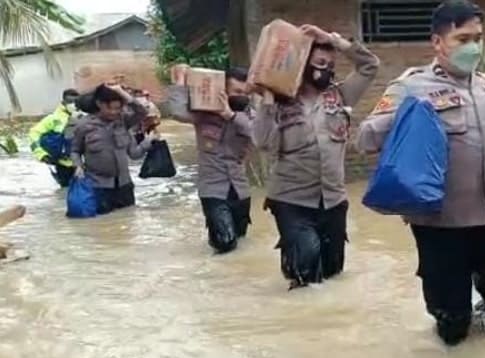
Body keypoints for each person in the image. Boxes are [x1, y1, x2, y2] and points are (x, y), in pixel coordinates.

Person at [357, 0, 485, 346]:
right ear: (438, 42)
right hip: (441, 226)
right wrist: (411, 115)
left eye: (478, 38)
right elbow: (365, 137)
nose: (473, 47)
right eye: (463, 39)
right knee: (451, 322)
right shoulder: (411, 85)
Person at [252, 25, 379, 289]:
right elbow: (262, 142)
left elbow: (370, 66)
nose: (327, 69)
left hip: (333, 199)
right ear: (303, 63)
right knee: (305, 269)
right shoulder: (278, 102)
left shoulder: (340, 95)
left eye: (330, 64)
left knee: (333, 273)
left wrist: (334, 40)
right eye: (320, 62)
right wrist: (266, 100)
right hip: (291, 200)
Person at [167, 66, 255, 254]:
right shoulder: (204, 114)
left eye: (246, 93)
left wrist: (230, 116)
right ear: (223, 92)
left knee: (240, 241)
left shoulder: (248, 115)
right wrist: (180, 81)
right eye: (237, 92)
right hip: (212, 189)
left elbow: (259, 136)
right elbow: (178, 113)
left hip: (240, 190)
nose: (242, 97)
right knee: (225, 243)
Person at [70, 83, 159, 215]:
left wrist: (122, 93)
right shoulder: (84, 126)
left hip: (125, 186)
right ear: (99, 104)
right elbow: (75, 151)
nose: (114, 112)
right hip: (99, 187)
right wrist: (78, 166)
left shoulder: (123, 121)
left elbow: (142, 112)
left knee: (128, 222)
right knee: (104, 227)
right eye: (110, 108)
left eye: (117, 108)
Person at [29, 89, 80, 187]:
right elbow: (33, 134)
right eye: (70, 102)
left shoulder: (85, 116)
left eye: (75, 102)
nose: (73, 104)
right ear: (63, 102)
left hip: (83, 164)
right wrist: (42, 155)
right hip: (62, 164)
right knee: (65, 192)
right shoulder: (53, 119)